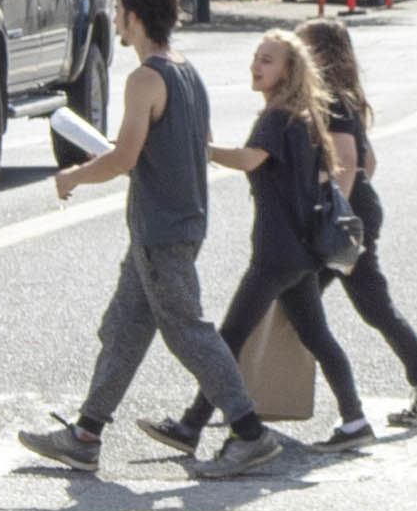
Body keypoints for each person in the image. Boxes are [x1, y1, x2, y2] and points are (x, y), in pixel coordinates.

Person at [18, 0, 289, 478]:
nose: (117, 22)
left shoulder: (145, 79)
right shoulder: (188, 72)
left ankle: (250, 433)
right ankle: (85, 435)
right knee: (124, 328)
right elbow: (189, 144)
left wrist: (73, 174)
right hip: (173, 224)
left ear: (134, 17)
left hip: (162, 230)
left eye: (119, 12)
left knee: (188, 332)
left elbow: (123, 158)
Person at [149, 25, 372, 458]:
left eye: (267, 60)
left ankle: (192, 426)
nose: (256, 65)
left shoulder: (276, 118)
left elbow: (250, 159)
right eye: (256, 57)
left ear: (288, 71)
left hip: (276, 254)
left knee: (229, 337)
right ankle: (355, 418)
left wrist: (201, 148)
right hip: (302, 252)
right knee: (317, 337)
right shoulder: (302, 116)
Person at [297, 19, 417, 427]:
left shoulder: (329, 99)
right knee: (368, 304)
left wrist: (332, 217)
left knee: (299, 296)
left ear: (323, 55)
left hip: (345, 217)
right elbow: (369, 163)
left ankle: (248, 394)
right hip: (359, 210)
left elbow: (349, 164)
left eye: (303, 47)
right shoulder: (346, 98)